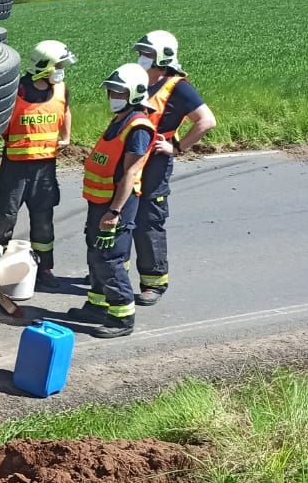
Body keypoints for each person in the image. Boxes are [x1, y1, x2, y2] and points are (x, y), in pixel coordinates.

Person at [0, 40, 75, 291]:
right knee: (5, 217)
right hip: (15, 168)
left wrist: (66, 136)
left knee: (43, 220)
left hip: (45, 168)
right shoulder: (16, 91)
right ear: (44, 66)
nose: (62, 71)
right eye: (59, 66)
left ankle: (44, 268)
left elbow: (65, 110)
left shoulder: (61, 89)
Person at [132, 30, 216, 306]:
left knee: (149, 219)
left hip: (156, 160)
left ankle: (153, 282)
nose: (141, 57)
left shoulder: (178, 87)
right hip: (131, 157)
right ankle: (113, 274)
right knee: (122, 214)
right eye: (141, 52)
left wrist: (177, 148)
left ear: (162, 57)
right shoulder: (138, 80)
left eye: (146, 53)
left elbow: (206, 121)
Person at [75, 63, 156, 339]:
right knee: (95, 253)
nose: (113, 96)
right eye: (111, 91)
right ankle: (98, 306)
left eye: (119, 92)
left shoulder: (138, 127)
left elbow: (130, 173)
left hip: (115, 204)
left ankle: (122, 317)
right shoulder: (121, 119)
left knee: (110, 259)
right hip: (99, 202)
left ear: (135, 94)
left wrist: (114, 211)